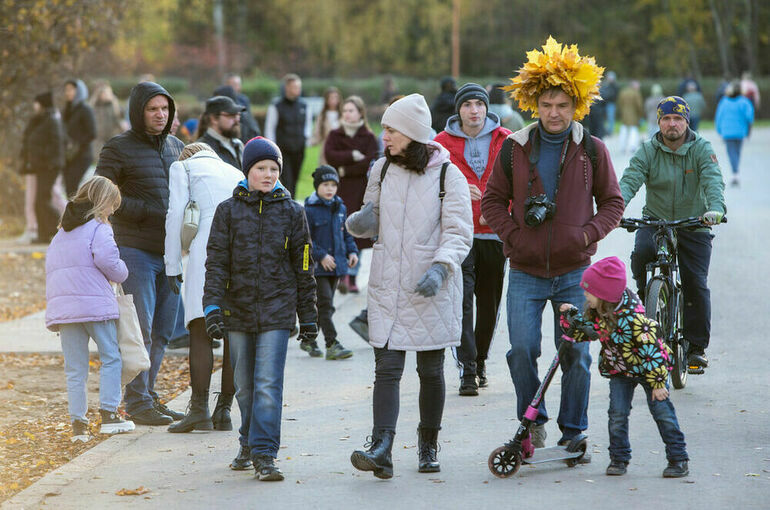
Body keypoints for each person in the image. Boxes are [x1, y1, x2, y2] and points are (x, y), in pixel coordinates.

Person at [481, 37, 624, 451]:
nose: (554, 113)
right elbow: (492, 199)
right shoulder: (515, 147)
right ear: (535, 105)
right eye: (547, 105)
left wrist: (586, 234)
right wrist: (513, 236)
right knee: (521, 350)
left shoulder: (592, 150)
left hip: (575, 273)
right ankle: (533, 422)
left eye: (562, 105)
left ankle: (574, 430)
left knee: (577, 355)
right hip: (525, 270)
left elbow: (612, 202)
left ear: (575, 106)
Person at [347, 93, 473, 479]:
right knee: (386, 367)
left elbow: (458, 232)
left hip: (430, 285)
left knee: (431, 370)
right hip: (388, 284)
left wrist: (440, 268)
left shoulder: (447, 175)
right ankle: (381, 445)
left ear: (412, 133)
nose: (383, 136)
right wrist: (362, 222)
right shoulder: (380, 170)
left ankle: (427, 442)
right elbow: (373, 220)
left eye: (390, 129)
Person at [203, 137, 317, 481]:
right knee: (245, 385)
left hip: (278, 311)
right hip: (237, 311)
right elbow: (216, 262)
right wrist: (212, 306)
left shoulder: (293, 212)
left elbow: (305, 264)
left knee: (268, 384)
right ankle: (248, 442)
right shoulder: (227, 211)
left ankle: (265, 453)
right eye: (260, 168)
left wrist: (308, 315)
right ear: (247, 171)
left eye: (273, 169)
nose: (268, 175)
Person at [96, 81, 185, 426]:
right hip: (135, 251)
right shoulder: (117, 148)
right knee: (140, 329)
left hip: (171, 255)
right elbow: (102, 196)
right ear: (138, 112)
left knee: (163, 331)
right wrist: (148, 210)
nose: (160, 115)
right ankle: (136, 402)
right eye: (153, 109)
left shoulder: (177, 146)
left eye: (165, 109)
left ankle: (147, 396)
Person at [619, 96, 726, 371]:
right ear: (659, 122)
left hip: (694, 222)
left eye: (677, 118)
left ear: (686, 121)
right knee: (641, 253)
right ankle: (649, 297)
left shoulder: (701, 148)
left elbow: (713, 179)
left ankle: (695, 348)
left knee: (695, 282)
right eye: (666, 118)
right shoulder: (648, 150)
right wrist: (615, 207)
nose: (672, 124)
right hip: (656, 220)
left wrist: (715, 208)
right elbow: (630, 179)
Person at [559, 256, 689, 478]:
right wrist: (569, 318)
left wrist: (658, 383)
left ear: (604, 295)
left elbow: (653, 353)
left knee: (662, 412)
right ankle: (619, 459)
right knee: (617, 414)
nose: (585, 295)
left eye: (589, 292)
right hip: (620, 371)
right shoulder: (599, 312)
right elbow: (584, 332)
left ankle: (678, 458)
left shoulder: (635, 320)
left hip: (649, 371)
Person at [434, 83, 512, 396]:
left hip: (494, 234)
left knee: (489, 303)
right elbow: (430, 185)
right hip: (459, 234)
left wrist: (496, 210)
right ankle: (467, 368)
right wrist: (454, 190)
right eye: (467, 105)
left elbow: (517, 184)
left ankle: (480, 359)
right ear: (459, 110)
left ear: (487, 107)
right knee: (462, 301)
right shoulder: (440, 144)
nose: (474, 110)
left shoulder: (505, 140)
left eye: (479, 104)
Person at [45, 176, 136, 441]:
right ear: (103, 202)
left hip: (66, 309)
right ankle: (109, 415)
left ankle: (79, 426)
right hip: (94, 304)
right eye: (112, 207)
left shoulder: (61, 233)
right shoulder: (99, 227)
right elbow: (108, 259)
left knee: (75, 368)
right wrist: (122, 272)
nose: (112, 212)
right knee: (111, 356)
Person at [163, 142, 243, 435]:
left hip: (207, 250)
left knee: (199, 329)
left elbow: (175, 215)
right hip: (239, 253)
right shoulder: (234, 170)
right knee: (234, 333)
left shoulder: (182, 167)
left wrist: (173, 265)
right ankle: (224, 410)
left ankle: (198, 409)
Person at [323, 95, 378, 293]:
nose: (347, 114)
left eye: (351, 110)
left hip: (361, 190)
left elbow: (370, 161)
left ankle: (353, 277)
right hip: (340, 188)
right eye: (344, 110)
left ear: (360, 113)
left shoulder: (369, 137)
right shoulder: (335, 134)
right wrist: (352, 156)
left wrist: (345, 169)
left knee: (359, 232)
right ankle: (343, 273)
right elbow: (330, 155)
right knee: (341, 230)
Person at [303, 165, 359, 360]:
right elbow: (305, 239)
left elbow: (346, 234)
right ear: (317, 186)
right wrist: (321, 256)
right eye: (325, 184)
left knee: (325, 307)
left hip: (337, 268)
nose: (329, 189)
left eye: (333, 185)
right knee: (326, 304)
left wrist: (352, 251)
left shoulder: (340, 207)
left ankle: (308, 339)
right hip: (318, 268)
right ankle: (332, 344)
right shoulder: (308, 209)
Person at [19, 92, 66, 244]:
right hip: (42, 167)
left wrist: (45, 160)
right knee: (40, 200)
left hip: (49, 167)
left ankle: (60, 228)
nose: (35, 106)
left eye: (37, 103)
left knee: (42, 200)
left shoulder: (51, 120)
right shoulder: (43, 119)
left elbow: (55, 144)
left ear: (43, 104)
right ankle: (44, 234)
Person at [264, 73, 312, 196]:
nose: (298, 90)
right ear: (287, 88)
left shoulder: (304, 105)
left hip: (299, 149)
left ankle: (293, 203)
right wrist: (272, 147)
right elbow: (270, 128)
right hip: (282, 150)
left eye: (299, 87)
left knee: (295, 179)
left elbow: (307, 126)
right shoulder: (276, 106)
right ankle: (285, 202)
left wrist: (305, 140)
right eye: (295, 87)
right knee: (286, 180)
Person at [715, 81, 755, 186]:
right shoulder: (744, 101)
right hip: (740, 131)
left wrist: (719, 130)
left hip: (727, 131)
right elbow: (749, 117)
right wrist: (749, 131)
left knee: (731, 152)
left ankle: (735, 173)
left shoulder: (724, 101)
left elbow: (719, 116)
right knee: (737, 152)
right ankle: (735, 172)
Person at [63, 79, 96, 196]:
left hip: (82, 155)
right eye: (66, 90)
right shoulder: (68, 110)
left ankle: (79, 213)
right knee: (68, 188)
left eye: (71, 90)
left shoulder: (85, 110)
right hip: (68, 156)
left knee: (72, 186)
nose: (67, 93)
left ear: (79, 91)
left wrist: (76, 144)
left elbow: (92, 133)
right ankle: (74, 213)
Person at [196, 95, 246, 172]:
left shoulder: (238, 144)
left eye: (238, 115)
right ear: (214, 119)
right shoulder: (201, 148)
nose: (237, 120)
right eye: (231, 115)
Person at [90, 81, 127, 160]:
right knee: (99, 157)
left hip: (112, 132)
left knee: (114, 155)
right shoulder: (94, 104)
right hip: (98, 134)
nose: (103, 95)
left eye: (105, 93)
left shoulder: (113, 102)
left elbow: (118, 117)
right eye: (102, 93)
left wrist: (122, 127)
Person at [222, 73, 261, 142]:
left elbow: (249, 119)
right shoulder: (222, 100)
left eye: (237, 85)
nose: (235, 87)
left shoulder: (244, 100)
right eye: (233, 85)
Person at [311, 87, 342, 165]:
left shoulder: (343, 115)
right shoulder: (322, 116)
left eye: (336, 97)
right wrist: (312, 141)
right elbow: (317, 132)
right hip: (326, 150)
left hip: (341, 149)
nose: (334, 100)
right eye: (331, 98)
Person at [617, 80, 644, 154]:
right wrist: (641, 114)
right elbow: (639, 105)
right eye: (638, 86)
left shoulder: (623, 92)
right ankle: (632, 147)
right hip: (634, 115)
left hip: (624, 114)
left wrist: (622, 112)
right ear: (634, 86)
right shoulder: (636, 93)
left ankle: (622, 147)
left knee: (623, 130)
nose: (638, 88)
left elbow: (619, 103)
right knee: (633, 131)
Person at [600, 71, 619, 135]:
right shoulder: (606, 85)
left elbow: (613, 95)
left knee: (610, 118)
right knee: (605, 118)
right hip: (605, 104)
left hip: (611, 104)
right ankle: (605, 130)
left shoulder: (614, 86)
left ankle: (610, 131)